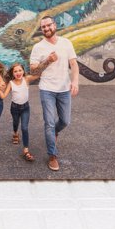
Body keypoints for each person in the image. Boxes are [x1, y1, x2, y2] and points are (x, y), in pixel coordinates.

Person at [30, 16, 79, 171]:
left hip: (64, 89)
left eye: (48, 25)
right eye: (43, 27)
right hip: (47, 89)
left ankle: (55, 132)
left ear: (54, 25)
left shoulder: (66, 43)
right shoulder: (38, 47)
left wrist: (75, 81)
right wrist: (48, 61)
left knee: (65, 121)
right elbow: (33, 70)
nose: (46, 28)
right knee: (49, 123)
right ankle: (52, 155)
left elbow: (74, 64)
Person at [0, 63, 40, 162]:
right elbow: (3, 96)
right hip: (14, 108)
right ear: (12, 73)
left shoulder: (27, 79)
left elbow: (39, 74)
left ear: (23, 71)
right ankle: (15, 133)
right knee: (16, 123)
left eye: (20, 70)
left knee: (24, 128)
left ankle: (26, 150)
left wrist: (44, 64)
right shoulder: (11, 83)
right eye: (15, 71)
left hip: (25, 108)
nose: (18, 73)